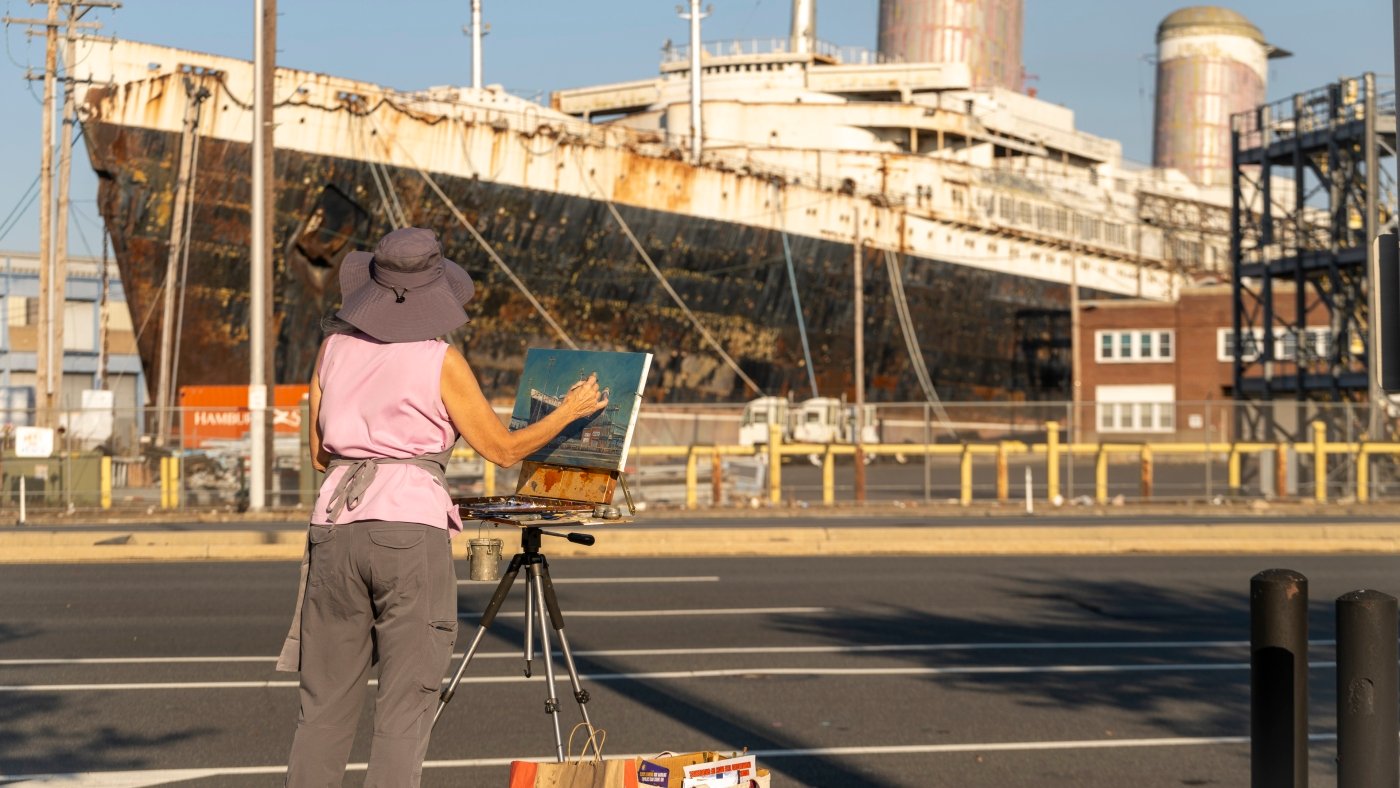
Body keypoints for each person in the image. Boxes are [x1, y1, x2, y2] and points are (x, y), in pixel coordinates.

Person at [277, 227, 608, 787]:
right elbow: (501, 449)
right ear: (434, 293)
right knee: (405, 707)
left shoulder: (332, 349)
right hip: (408, 530)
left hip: (332, 526)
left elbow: (318, 453)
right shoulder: (440, 360)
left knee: (324, 707)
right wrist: (569, 411)